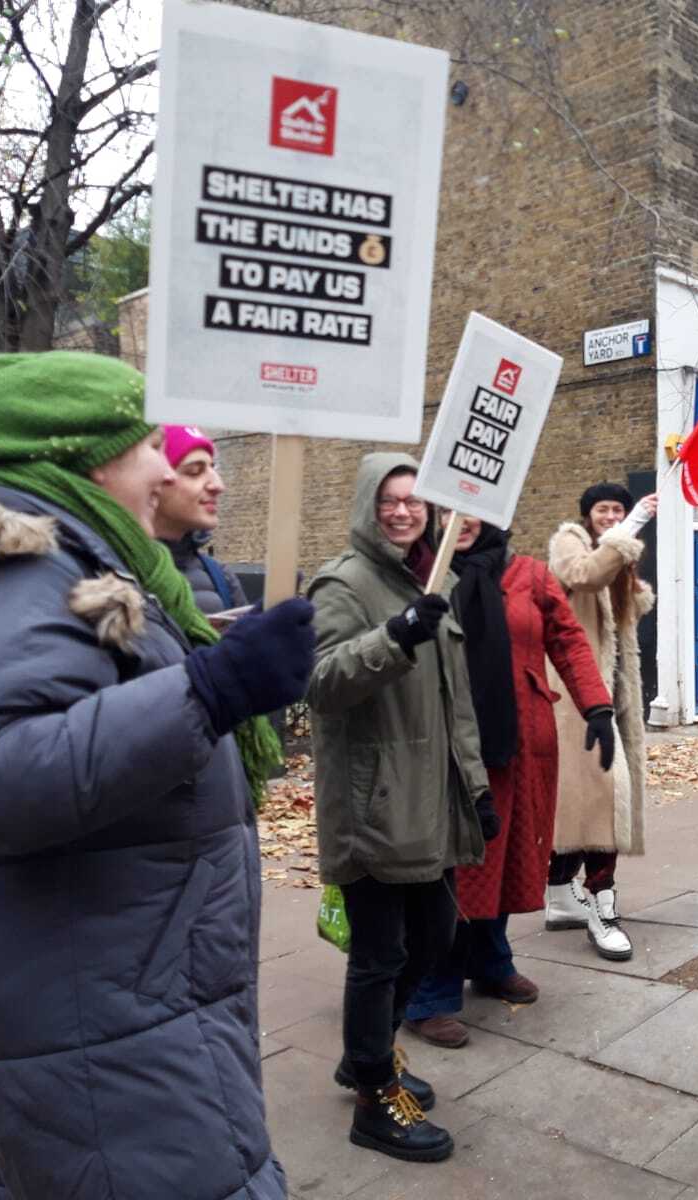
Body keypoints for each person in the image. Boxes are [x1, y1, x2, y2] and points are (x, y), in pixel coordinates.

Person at [0, 351, 311, 1200]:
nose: (166, 468)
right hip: (98, 1010)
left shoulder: (60, 559)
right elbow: (2, 775)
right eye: (146, 448)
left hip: (107, 996)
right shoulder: (5, 567)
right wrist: (213, 688)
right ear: (88, 459)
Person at [307, 453, 492, 1163]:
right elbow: (320, 682)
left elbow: (456, 703)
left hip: (432, 803)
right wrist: (394, 635)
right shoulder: (342, 583)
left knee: (434, 936)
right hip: (374, 808)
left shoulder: (430, 577)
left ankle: (367, 1057)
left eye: (414, 500)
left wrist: (473, 785)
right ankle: (373, 1101)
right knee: (381, 956)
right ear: (366, 504)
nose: (402, 510)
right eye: (388, 499)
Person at [404, 513, 614, 1049]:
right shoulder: (421, 573)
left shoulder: (529, 574)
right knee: (455, 868)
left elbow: (566, 641)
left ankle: (492, 960)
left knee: (505, 858)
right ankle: (429, 992)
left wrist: (596, 706)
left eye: (473, 509)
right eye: (448, 511)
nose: (462, 521)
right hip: (450, 747)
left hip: (521, 747)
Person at [542, 482, 655, 961]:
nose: (611, 516)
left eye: (618, 509)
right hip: (575, 697)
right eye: (603, 509)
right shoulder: (568, 540)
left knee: (585, 802)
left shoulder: (619, 556)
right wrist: (630, 529)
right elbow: (583, 576)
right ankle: (603, 909)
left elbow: (629, 610)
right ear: (587, 515)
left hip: (614, 693)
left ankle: (559, 895)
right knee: (603, 799)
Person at [153, 424, 250, 616]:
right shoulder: (110, 571)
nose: (218, 485)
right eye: (194, 471)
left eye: (213, 468)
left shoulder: (220, 577)